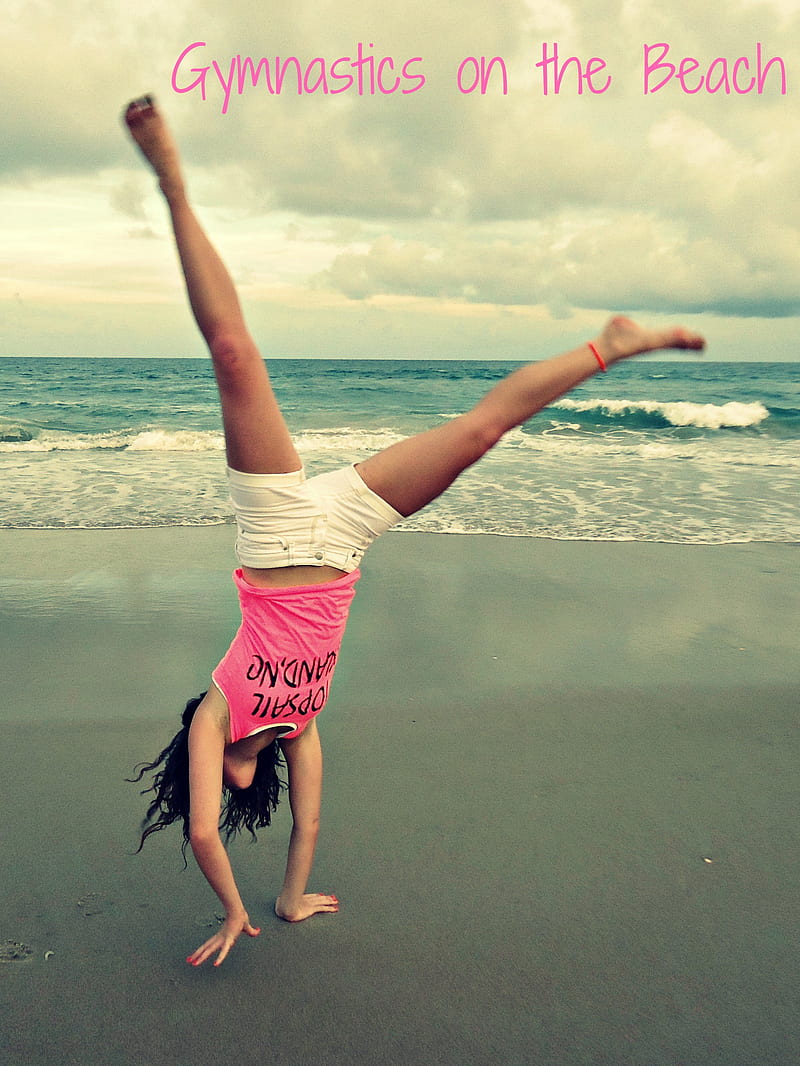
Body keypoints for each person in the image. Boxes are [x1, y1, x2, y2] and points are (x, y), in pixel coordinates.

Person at [123, 95, 705, 968]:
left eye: (227, 778)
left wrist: (229, 914)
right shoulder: (300, 726)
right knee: (477, 437)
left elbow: (204, 834)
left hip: (279, 534)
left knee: (236, 355)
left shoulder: (214, 713)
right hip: (348, 540)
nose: (238, 780)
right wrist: (284, 900)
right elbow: (312, 817)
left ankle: (173, 183)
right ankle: (609, 346)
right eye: (246, 784)